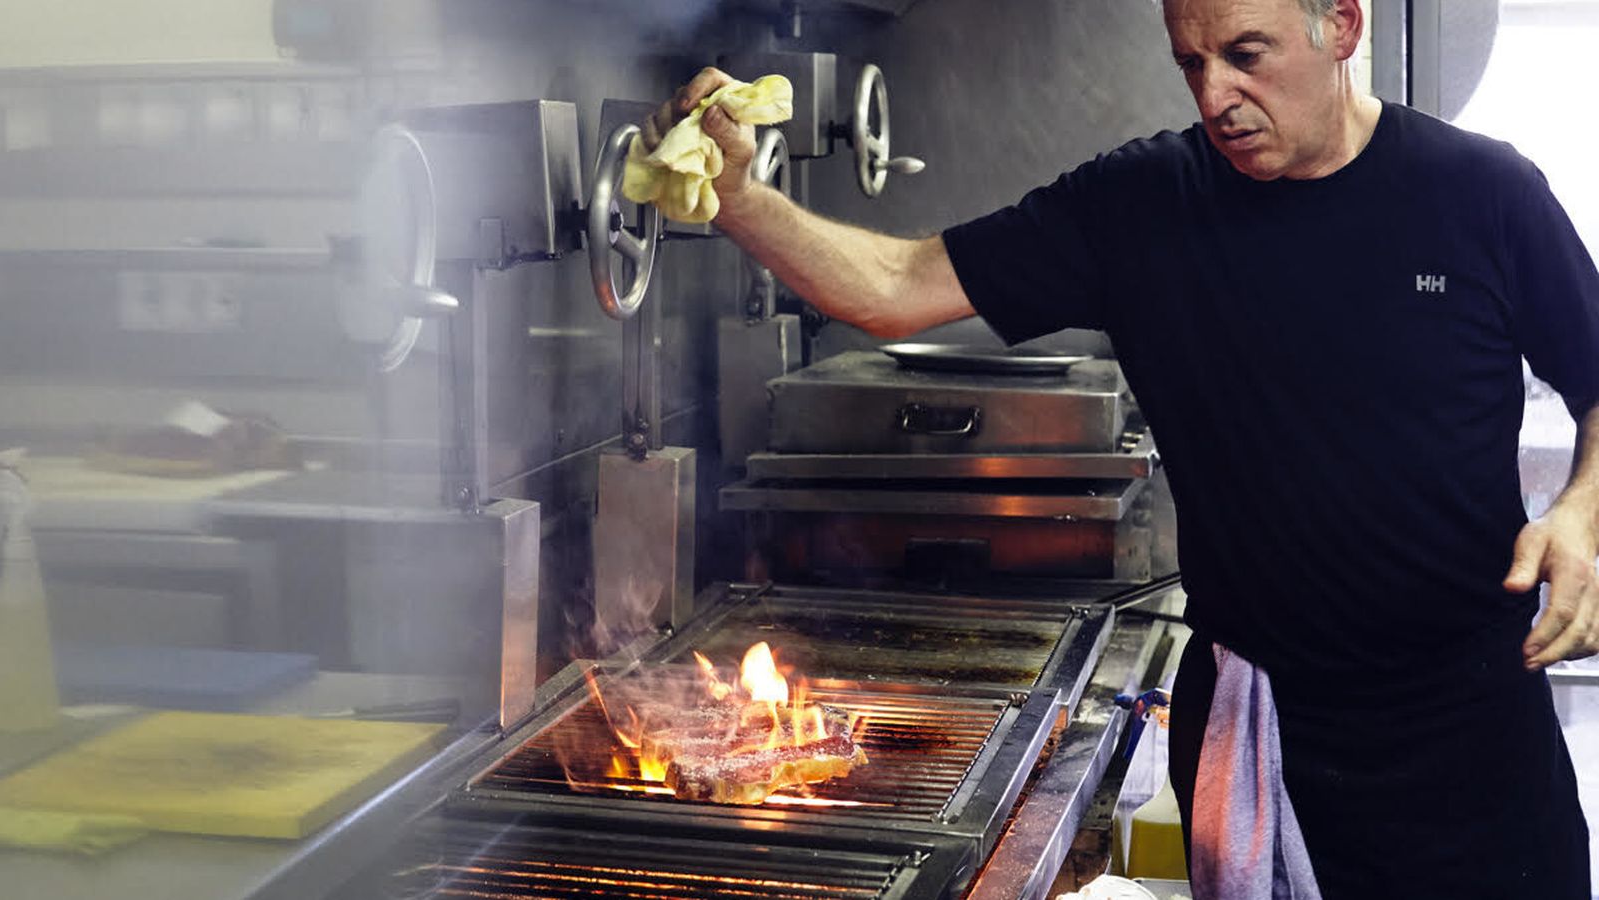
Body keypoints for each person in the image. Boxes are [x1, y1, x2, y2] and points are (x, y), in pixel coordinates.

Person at [643, 0, 1599, 896]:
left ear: (1341, 25)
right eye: (1191, 62)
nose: (1215, 95)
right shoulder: (1143, 203)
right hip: (1269, 727)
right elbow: (893, 287)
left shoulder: (1483, 193)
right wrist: (738, 198)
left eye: (1246, 55)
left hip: (1475, 728)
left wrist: (1583, 513)